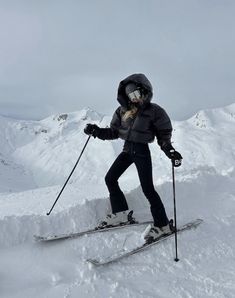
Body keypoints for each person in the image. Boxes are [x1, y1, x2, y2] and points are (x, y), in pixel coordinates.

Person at [84, 73, 182, 242]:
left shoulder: (155, 111)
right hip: (127, 149)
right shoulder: (123, 111)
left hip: (141, 151)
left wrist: (170, 151)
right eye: (131, 95)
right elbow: (114, 132)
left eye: (137, 94)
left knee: (148, 189)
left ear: (144, 91)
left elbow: (163, 135)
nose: (134, 98)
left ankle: (163, 225)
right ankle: (121, 213)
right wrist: (96, 131)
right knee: (110, 178)